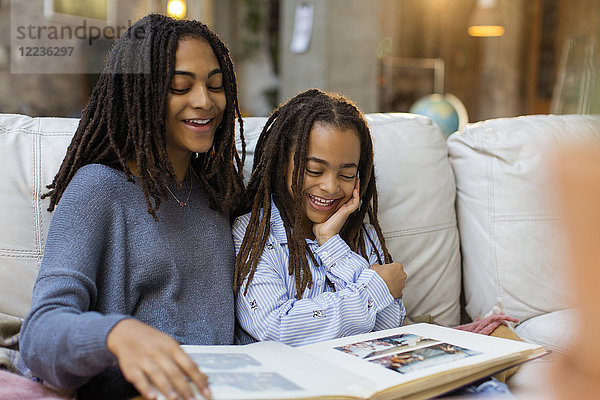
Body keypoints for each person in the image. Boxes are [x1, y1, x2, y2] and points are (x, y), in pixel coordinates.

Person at [19, 14, 245, 400]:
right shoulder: (97, 189)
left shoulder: (219, 195)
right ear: (138, 92)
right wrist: (115, 333)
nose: (204, 101)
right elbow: (40, 335)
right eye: (179, 86)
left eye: (216, 85)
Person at [233, 89, 407, 347]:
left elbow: (389, 323)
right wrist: (373, 290)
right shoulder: (253, 233)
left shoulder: (362, 235)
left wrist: (331, 244)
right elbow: (275, 328)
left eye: (347, 174)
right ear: (283, 164)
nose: (330, 186)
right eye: (314, 170)